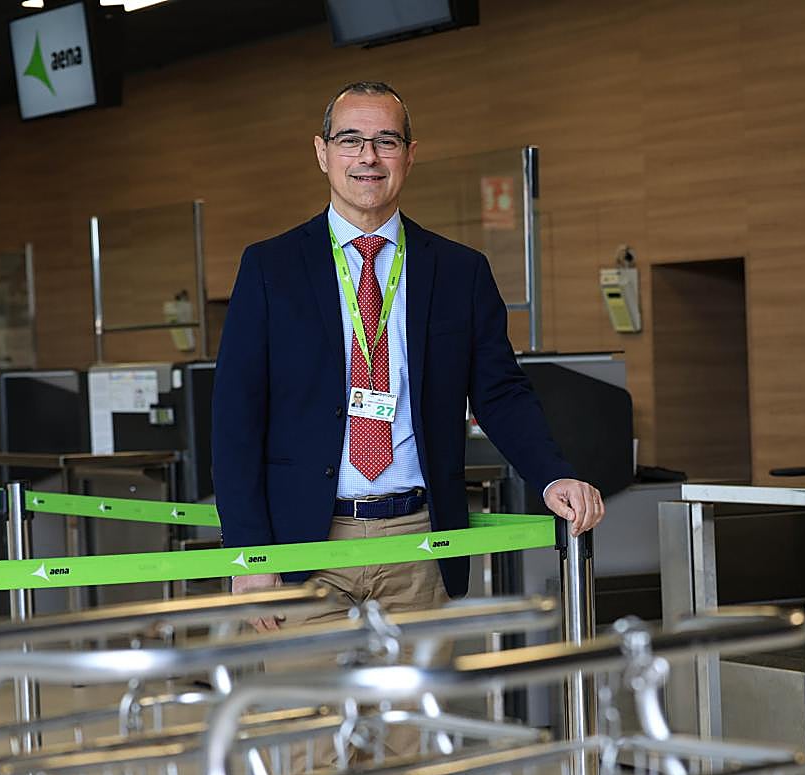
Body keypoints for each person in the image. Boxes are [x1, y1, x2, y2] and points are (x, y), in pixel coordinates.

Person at [212, 81, 603, 632]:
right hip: (301, 547)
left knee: (416, 694)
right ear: (322, 152)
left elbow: (500, 393)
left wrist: (552, 476)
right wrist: (249, 554)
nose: (368, 157)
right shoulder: (270, 268)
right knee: (308, 692)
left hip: (419, 544)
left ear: (410, 155)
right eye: (350, 140)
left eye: (386, 141)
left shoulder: (460, 272)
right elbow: (236, 416)